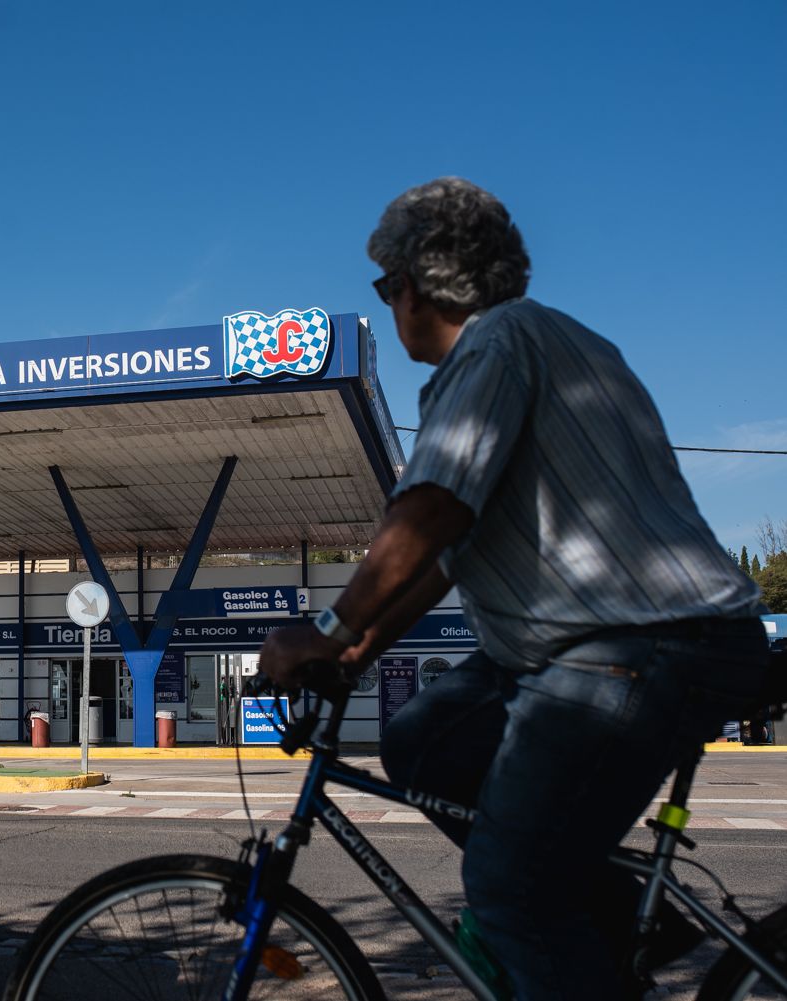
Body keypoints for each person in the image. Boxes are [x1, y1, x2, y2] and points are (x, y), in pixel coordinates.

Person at [258, 177, 768, 999]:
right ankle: (608, 908)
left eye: (387, 288)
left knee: (511, 890)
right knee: (422, 738)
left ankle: (564, 922)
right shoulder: (565, 340)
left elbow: (430, 507)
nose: (392, 304)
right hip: (606, 641)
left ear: (416, 286)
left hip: (638, 644)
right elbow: (447, 555)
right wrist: (356, 649)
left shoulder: (495, 345)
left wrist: (324, 625)